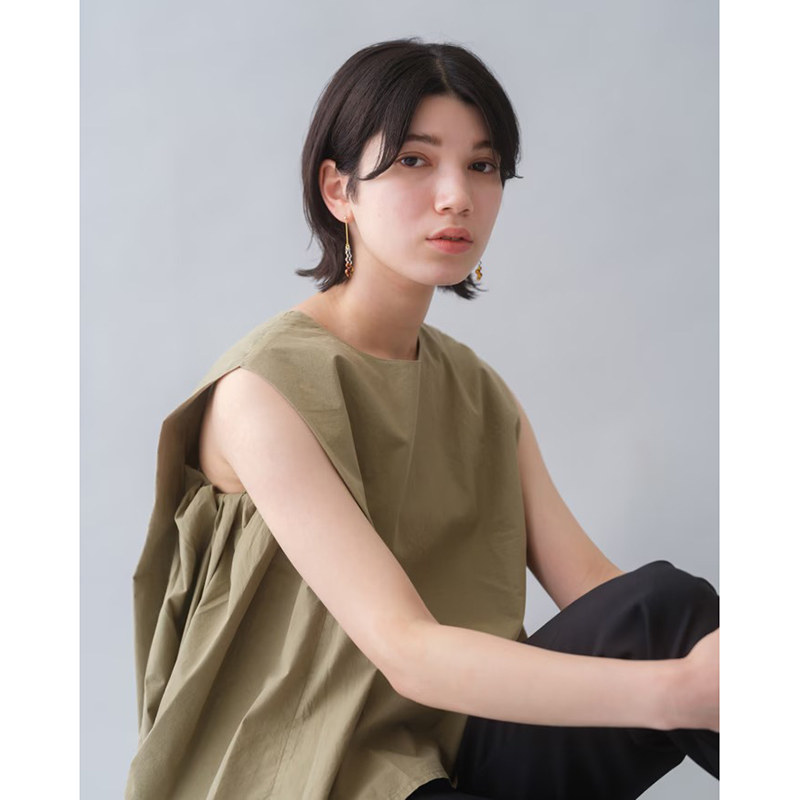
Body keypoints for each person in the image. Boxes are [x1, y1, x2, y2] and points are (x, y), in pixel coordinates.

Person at [124, 38, 719, 800]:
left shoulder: (480, 395)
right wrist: (675, 695)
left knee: (667, 609)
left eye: (482, 165)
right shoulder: (262, 391)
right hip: (311, 772)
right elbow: (406, 650)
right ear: (338, 190)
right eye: (414, 160)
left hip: (454, 748)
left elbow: (603, 594)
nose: (456, 196)